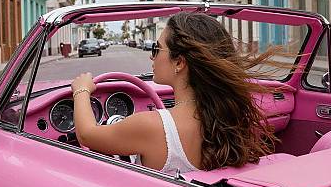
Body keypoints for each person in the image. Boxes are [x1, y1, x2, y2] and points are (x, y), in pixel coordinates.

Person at [71, 11, 277, 173]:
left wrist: (81, 90)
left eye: (156, 49)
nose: (152, 57)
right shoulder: (231, 116)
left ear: (179, 62)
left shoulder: (151, 125)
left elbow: (87, 135)